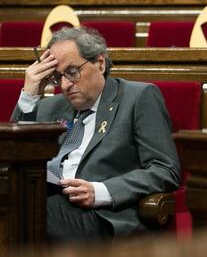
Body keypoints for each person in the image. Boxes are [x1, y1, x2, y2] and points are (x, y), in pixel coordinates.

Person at [11, 26, 181, 242]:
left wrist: (101, 191)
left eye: (72, 72)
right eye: (57, 77)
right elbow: (11, 156)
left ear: (99, 63)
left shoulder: (138, 97)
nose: (64, 85)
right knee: (23, 206)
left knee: (28, 211)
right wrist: (29, 94)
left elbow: (165, 169)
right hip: (45, 199)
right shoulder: (48, 107)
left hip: (99, 215)